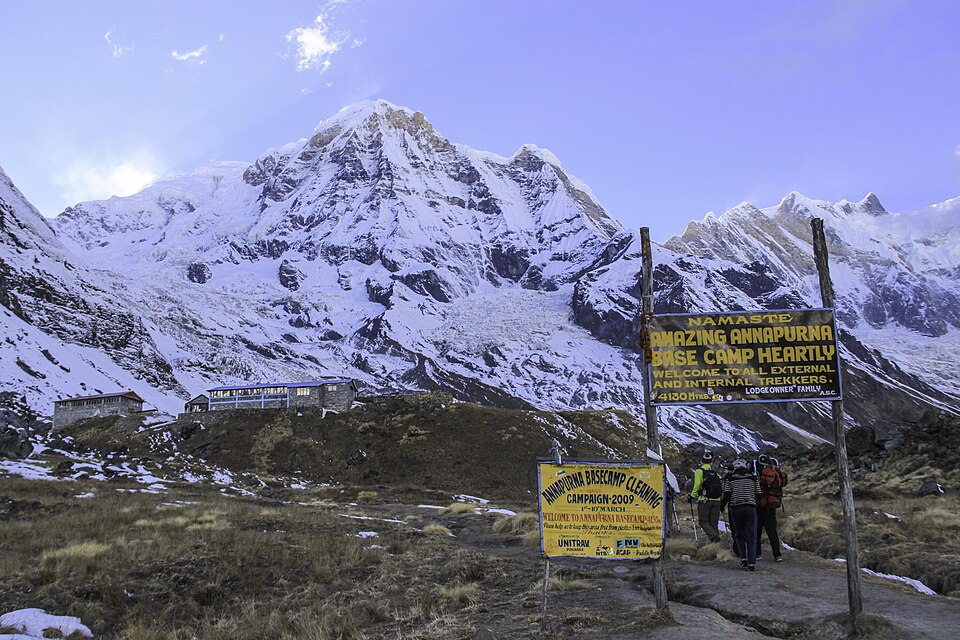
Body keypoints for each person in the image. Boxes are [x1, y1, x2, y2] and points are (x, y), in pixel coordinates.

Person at [721, 458, 760, 570]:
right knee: (751, 535)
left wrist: (722, 506)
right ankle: (751, 562)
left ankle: (743, 558)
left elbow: (727, 495)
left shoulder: (731, 479)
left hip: (736, 508)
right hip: (750, 508)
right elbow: (758, 494)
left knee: (739, 534)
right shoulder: (753, 478)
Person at [757, 455, 788, 562]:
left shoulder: (760, 475)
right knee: (772, 531)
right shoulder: (775, 476)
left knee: (757, 531)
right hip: (772, 506)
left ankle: (757, 554)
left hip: (760, 506)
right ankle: (777, 554)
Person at [688, 450, 722, 544]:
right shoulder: (715, 473)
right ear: (711, 462)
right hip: (717, 500)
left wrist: (692, 496)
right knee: (713, 523)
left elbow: (697, 484)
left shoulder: (699, 471)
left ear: (702, 461)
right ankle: (716, 545)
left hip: (705, 500)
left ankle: (714, 538)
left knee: (703, 521)